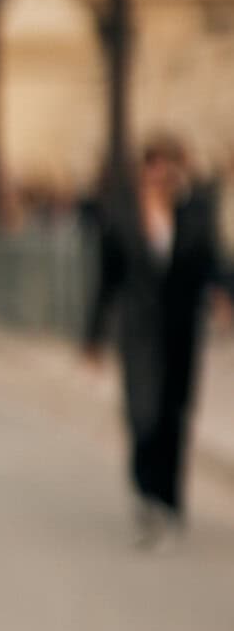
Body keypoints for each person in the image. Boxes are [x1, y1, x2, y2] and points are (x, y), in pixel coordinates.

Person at [83, 133, 234, 545]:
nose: (159, 172)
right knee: (142, 414)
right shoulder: (124, 214)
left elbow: (213, 262)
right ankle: (146, 491)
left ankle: (169, 500)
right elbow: (107, 277)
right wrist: (93, 337)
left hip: (181, 329)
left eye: (166, 164)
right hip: (137, 331)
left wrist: (224, 298)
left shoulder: (194, 211)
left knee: (174, 415)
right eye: (152, 163)